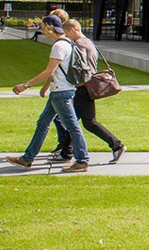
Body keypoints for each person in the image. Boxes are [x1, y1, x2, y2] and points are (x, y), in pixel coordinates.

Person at [5, 15, 90, 173]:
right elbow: (55, 72)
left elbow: (49, 71)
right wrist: (45, 89)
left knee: (73, 127)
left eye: (43, 27)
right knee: (42, 123)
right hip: (59, 91)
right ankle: (27, 158)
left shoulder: (59, 46)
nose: (42, 30)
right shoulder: (67, 43)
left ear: (51, 27)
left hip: (61, 93)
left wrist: (25, 85)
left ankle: (82, 160)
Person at [50, 19, 126, 165]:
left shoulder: (79, 45)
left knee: (85, 122)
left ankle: (117, 145)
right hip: (86, 88)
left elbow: (80, 68)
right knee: (75, 122)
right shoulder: (88, 42)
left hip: (83, 88)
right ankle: (66, 152)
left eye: (66, 33)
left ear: (73, 29)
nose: (65, 36)